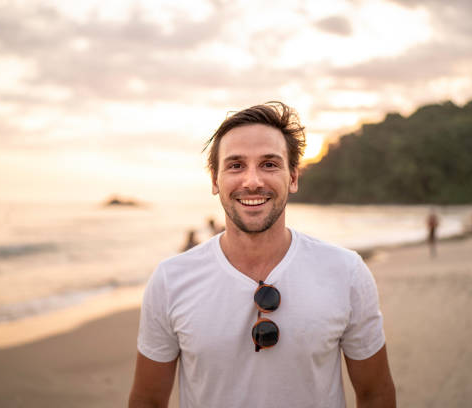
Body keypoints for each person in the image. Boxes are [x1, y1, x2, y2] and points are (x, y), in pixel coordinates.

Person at [129, 102, 395, 408]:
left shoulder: (346, 272)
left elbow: (376, 394)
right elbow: (147, 401)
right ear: (215, 180)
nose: (252, 181)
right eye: (235, 165)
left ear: (293, 177)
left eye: (269, 164)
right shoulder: (170, 279)